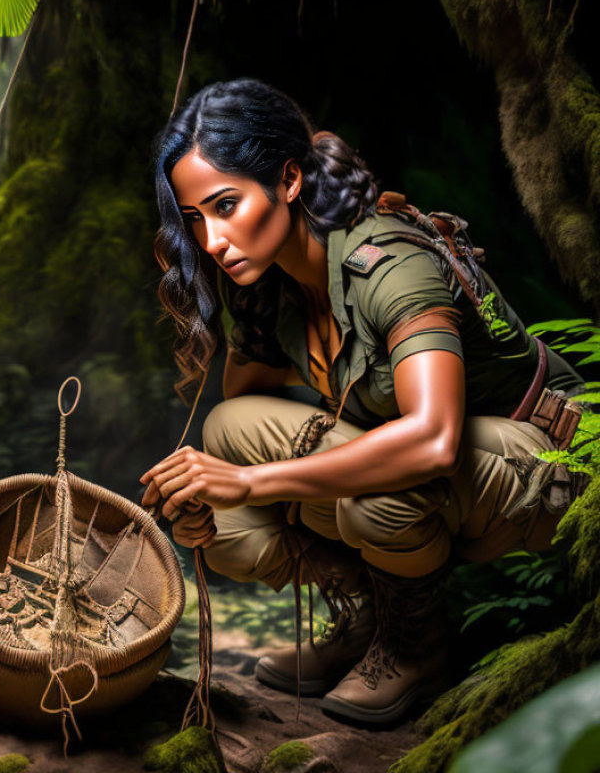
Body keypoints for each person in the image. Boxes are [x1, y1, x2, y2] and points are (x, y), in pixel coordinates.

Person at [139, 79, 586, 725]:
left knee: (375, 490)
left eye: (227, 206)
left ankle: (416, 646)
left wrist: (248, 480)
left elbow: (432, 438)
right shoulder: (272, 286)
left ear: (288, 180)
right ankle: (371, 616)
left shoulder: (390, 263)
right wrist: (210, 496)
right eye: (196, 220)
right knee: (227, 435)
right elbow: (242, 433)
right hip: (458, 467)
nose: (212, 241)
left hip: (553, 454)